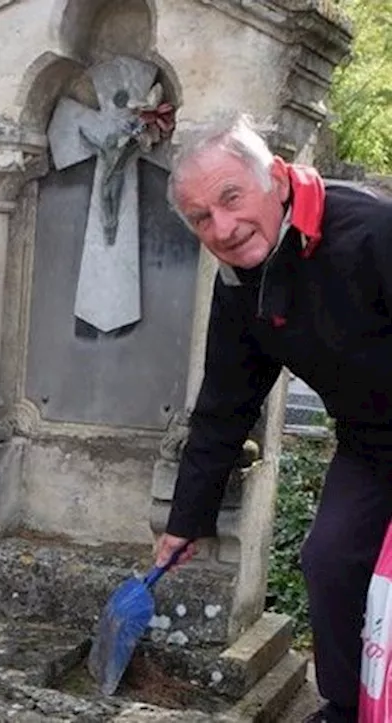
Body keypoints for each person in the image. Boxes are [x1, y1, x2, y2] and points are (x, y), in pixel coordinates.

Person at [156, 114, 392, 723]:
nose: (224, 228)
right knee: (330, 559)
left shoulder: (372, 230)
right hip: (371, 443)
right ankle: (345, 705)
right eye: (202, 218)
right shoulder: (240, 280)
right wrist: (186, 519)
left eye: (231, 198)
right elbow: (224, 405)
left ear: (277, 179)